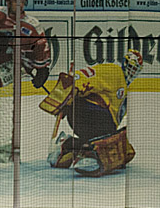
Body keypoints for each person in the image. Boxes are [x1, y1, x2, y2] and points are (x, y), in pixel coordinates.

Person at [38, 49, 141, 177]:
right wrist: (73, 88)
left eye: (135, 69)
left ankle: (68, 145)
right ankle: (89, 154)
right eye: (131, 67)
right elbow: (86, 75)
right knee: (108, 138)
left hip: (88, 119)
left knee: (113, 142)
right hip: (87, 113)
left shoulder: (124, 93)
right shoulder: (114, 71)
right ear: (124, 63)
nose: (132, 72)